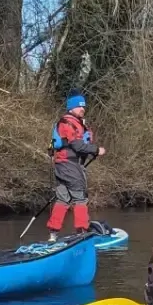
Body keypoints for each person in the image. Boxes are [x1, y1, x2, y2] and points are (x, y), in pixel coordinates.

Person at [45, 93, 106, 242]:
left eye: (83, 106)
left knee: (63, 199)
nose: (82, 108)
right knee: (80, 198)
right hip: (69, 166)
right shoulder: (67, 123)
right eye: (79, 106)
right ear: (71, 107)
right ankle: (82, 232)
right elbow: (76, 145)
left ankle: (53, 235)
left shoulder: (76, 123)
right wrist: (96, 150)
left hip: (64, 166)